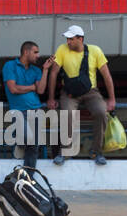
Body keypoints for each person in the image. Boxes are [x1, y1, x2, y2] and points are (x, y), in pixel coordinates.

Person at [45, 25, 115, 165]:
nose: (68, 42)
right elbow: (53, 73)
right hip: (69, 92)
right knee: (67, 114)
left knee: (101, 112)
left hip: (91, 92)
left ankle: (97, 152)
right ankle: (64, 152)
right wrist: (51, 98)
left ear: (80, 39)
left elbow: (107, 76)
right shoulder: (62, 49)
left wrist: (112, 99)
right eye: (67, 39)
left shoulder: (95, 51)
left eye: (71, 39)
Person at [2, 42, 49, 168]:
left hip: (36, 109)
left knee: (34, 146)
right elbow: (13, 89)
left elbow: (40, 90)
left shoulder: (37, 70)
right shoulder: (10, 66)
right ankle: (20, 144)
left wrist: (45, 70)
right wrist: (32, 86)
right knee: (28, 138)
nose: (38, 55)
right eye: (35, 52)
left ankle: (29, 177)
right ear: (26, 52)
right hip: (18, 111)